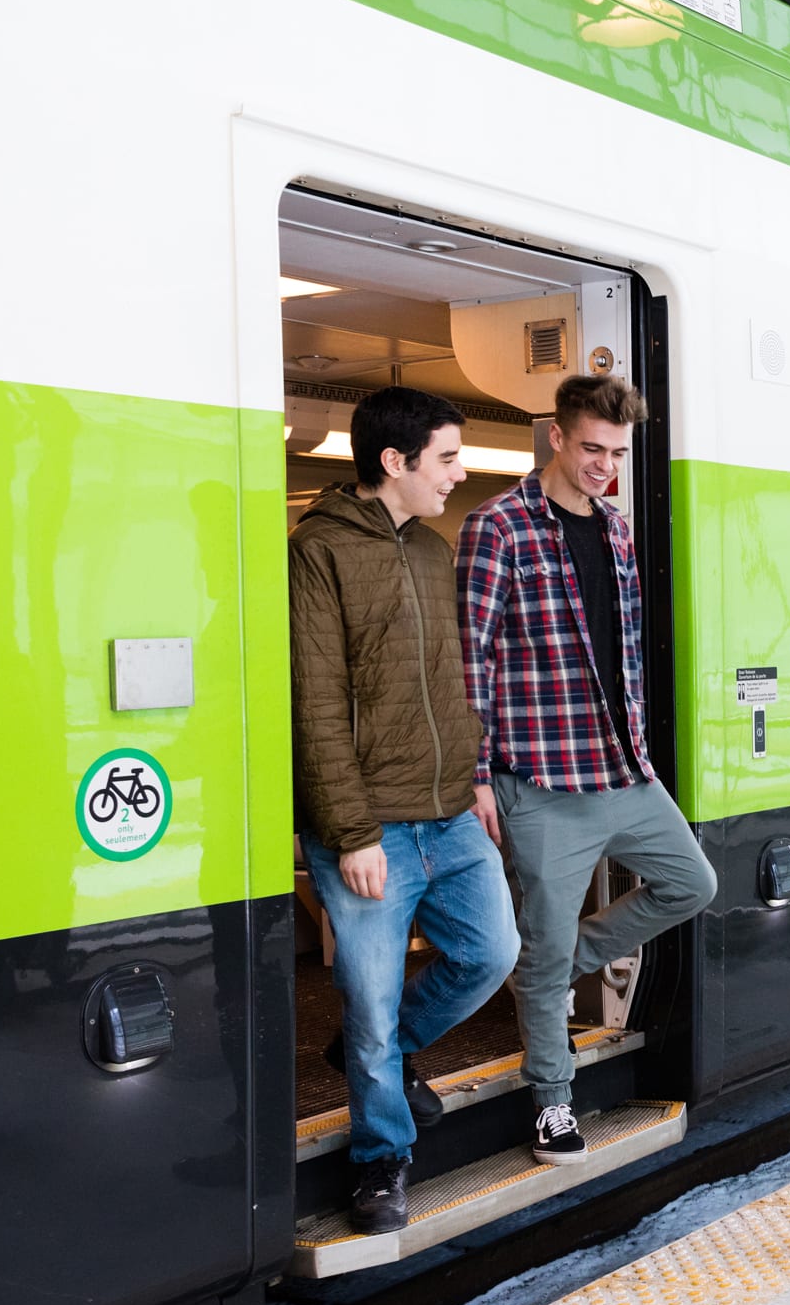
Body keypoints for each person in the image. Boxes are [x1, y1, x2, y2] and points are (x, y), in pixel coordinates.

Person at [457, 375, 718, 1167]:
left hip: (621, 768)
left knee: (692, 884)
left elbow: (624, 649)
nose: (605, 466)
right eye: (593, 449)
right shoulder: (496, 528)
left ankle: (555, 963)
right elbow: (469, 660)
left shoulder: (614, 528)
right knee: (543, 946)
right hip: (541, 780)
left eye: (618, 453)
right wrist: (476, 776)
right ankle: (552, 1103)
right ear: (557, 439)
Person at [289, 386, 520, 1233]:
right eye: (449, 459)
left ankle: (376, 1054)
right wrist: (349, 831)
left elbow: (450, 679)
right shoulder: (317, 551)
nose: (459, 475)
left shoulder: (431, 549)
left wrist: (476, 775)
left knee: (491, 952)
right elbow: (314, 701)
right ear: (396, 461)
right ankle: (380, 1161)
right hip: (370, 824)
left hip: (449, 810)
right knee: (371, 1001)